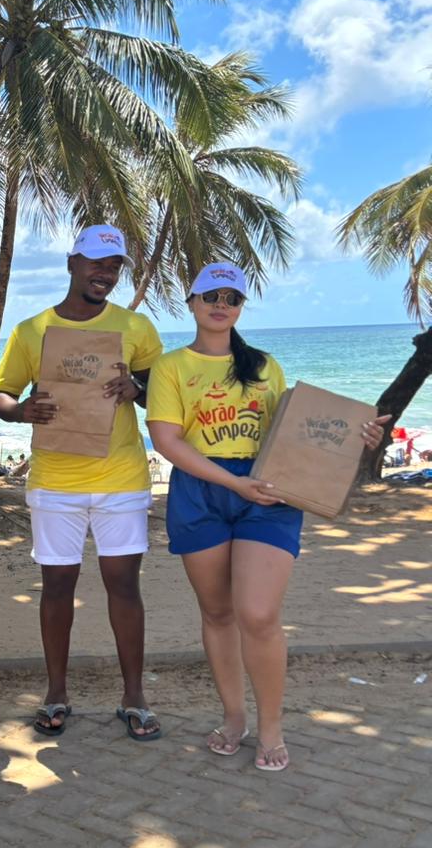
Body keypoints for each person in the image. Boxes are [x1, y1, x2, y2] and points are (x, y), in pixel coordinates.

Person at [146, 263, 387, 770]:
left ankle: (272, 726)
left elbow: (297, 433)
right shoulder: (171, 367)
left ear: (240, 308)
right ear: (191, 302)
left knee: (257, 614)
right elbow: (168, 442)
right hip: (203, 489)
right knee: (217, 613)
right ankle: (235, 717)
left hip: (269, 494)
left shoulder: (263, 366)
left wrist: (357, 437)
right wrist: (233, 482)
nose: (221, 303)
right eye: (210, 294)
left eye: (232, 296)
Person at [0, 225, 163, 740]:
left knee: (123, 586)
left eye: (113, 266)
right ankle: (56, 692)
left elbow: (162, 393)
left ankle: (134, 696)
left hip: (121, 477)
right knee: (57, 586)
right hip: (54, 481)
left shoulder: (136, 327)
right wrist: (22, 411)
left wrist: (137, 387)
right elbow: (2, 394)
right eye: (95, 263)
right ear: (71, 264)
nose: (104, 273)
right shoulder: (31, 330)